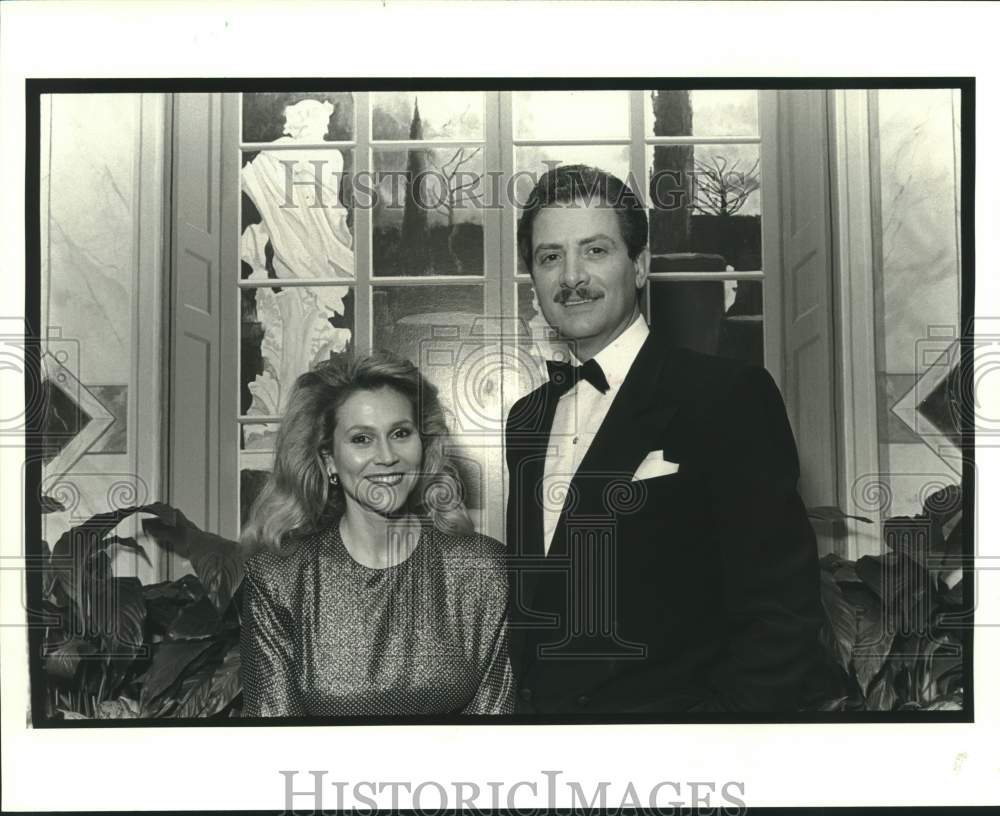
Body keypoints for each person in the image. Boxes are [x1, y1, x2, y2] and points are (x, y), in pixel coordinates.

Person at [505, 164, 825, 713]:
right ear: (533, 277)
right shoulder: (526, 420)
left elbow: (781, 617)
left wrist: (705, 753)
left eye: (596, 250)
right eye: (550, 256)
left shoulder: (727, 397)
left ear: (641, 265)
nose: (572, 276)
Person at [240, 352, 514, 716]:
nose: (386, 456)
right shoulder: (279, 578)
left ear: (423, 445)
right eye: (361, 439)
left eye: (400, 434)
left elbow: (497, 734)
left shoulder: (482, 569)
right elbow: (274, 739)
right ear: (329, 460)